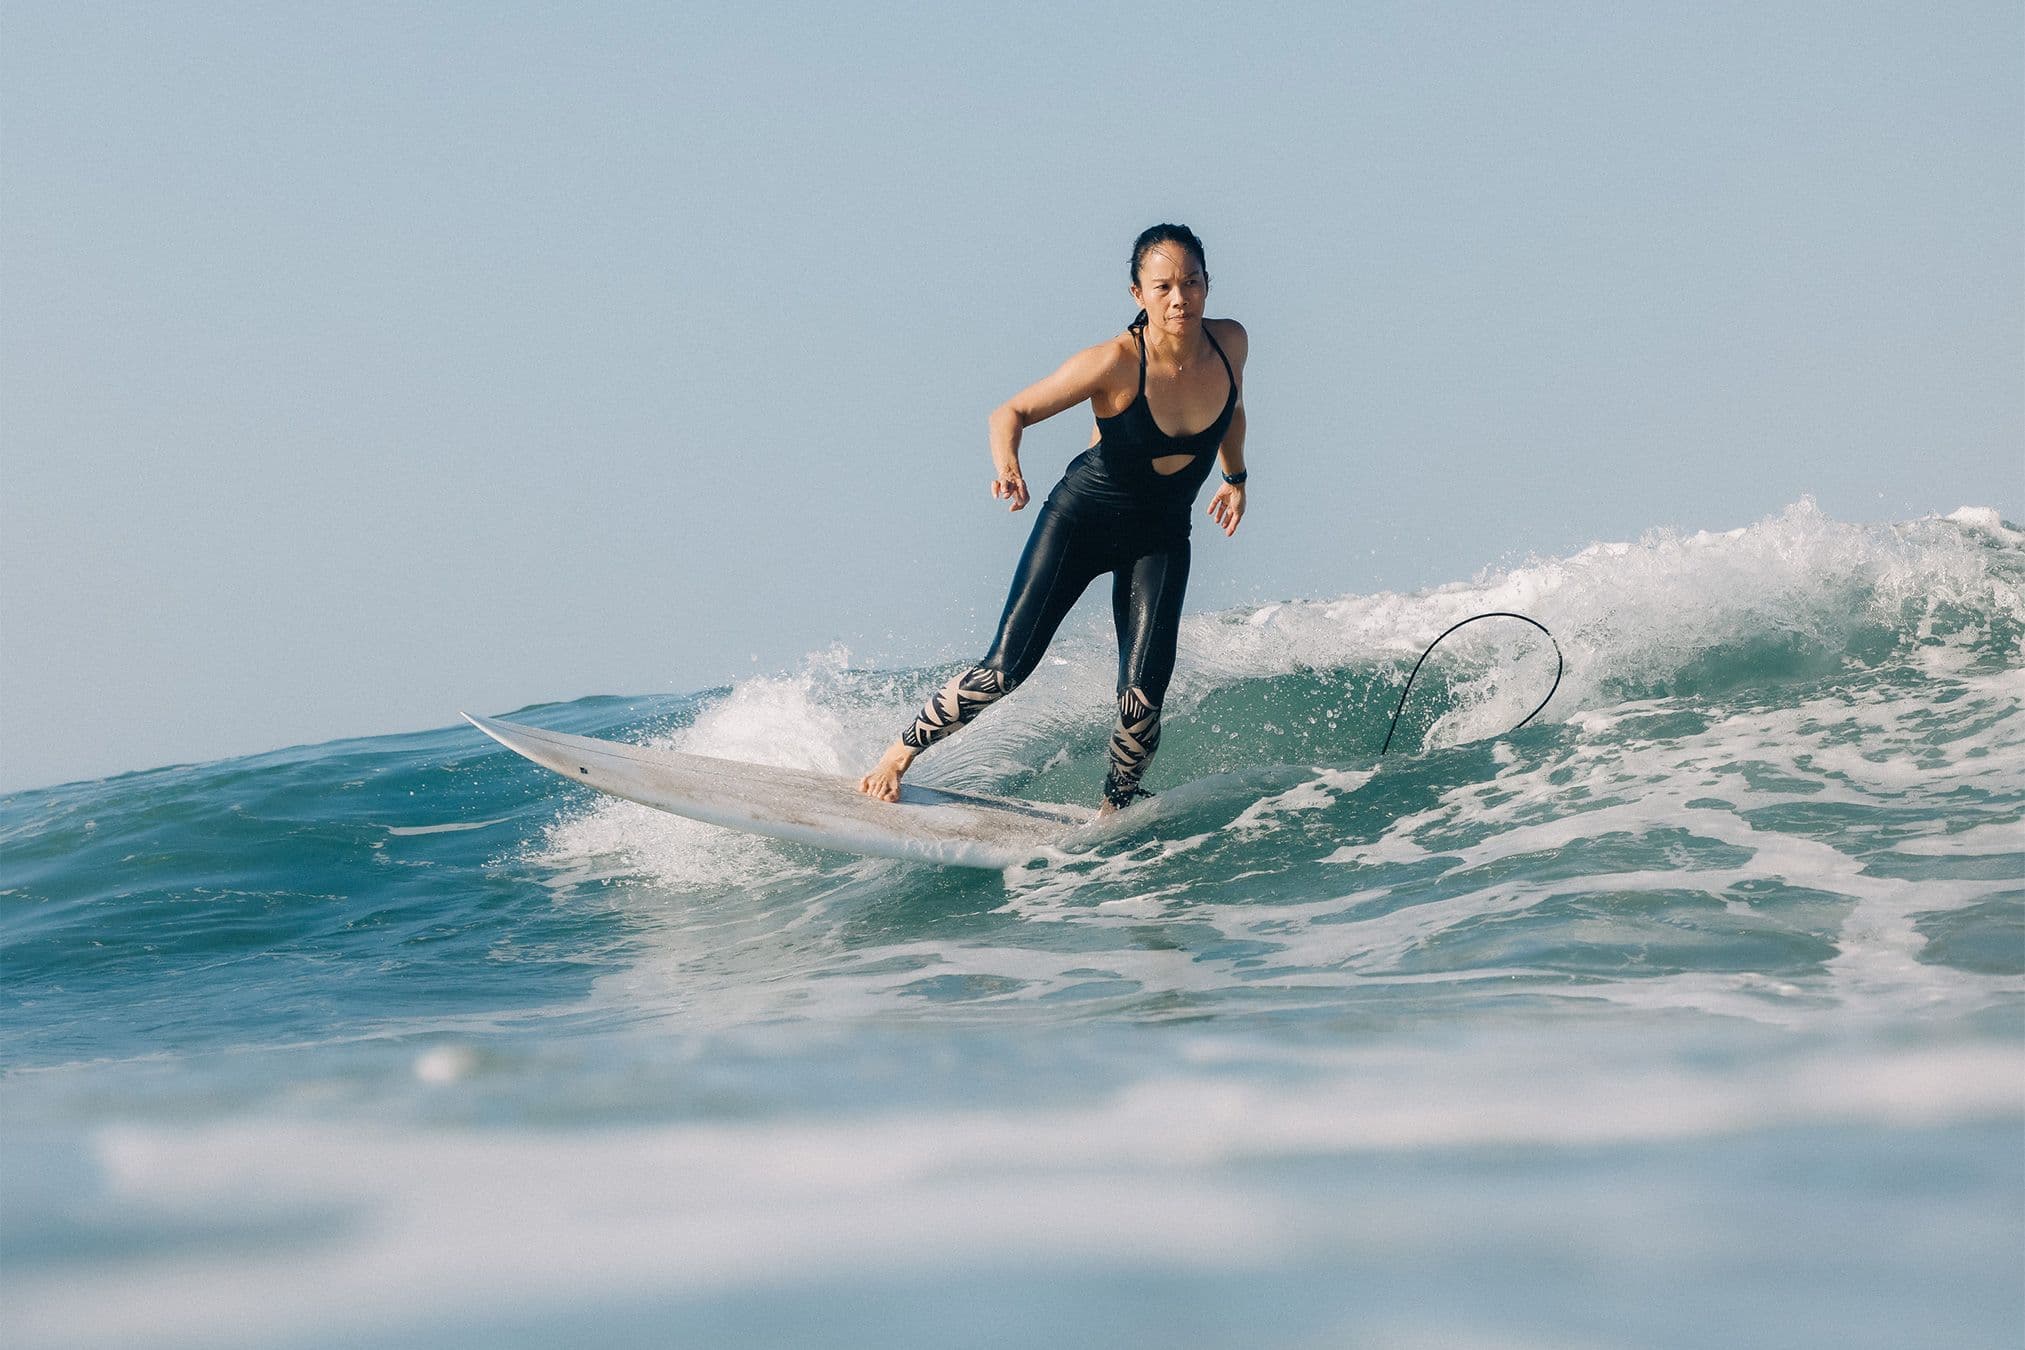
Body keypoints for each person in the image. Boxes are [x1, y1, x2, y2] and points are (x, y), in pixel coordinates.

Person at [858, 223, 1249, 815]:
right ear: (1137, 293)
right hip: (1082, 522)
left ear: (1206, 284)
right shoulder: (1115, 361)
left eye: (1191, 283)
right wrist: (1008, 464)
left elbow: (1234, 405)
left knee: (1142, 699)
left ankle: (1115, 807)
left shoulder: (1231, 344)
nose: (1180, 299)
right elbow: (1008, 412)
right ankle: (898, 753)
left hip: (1162, 536)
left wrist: (1236, 476)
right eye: (1163, 285)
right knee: (1005, 671)